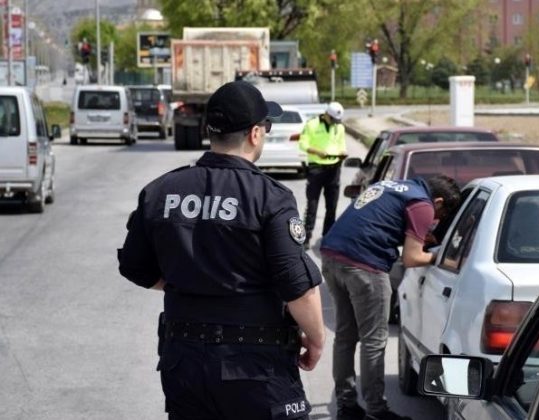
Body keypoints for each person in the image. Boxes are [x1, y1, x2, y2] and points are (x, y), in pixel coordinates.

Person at [117, 80, 325, 420]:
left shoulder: (160, 190)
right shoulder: (270, 197)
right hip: (256, 367)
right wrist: (315, 340)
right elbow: (296, 286)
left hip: (184, 361)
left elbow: (134, 267)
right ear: (255, 134)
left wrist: (189, 282)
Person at [320, 176, 461, 420]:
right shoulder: (422, 204)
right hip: (365, 266)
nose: (436, 220)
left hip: (332, 256)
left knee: (345, 336)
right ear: (438, 201)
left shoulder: (392, 186)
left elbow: (378, 222)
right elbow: (412, 258)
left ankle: (347, 406)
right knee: (373, 340)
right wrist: (442, 256)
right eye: (442, 213)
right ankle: (377, 410)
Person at [298, 101, 347, 250]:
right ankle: (306, 237)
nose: (334, 123)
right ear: (326, 114)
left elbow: (341, 145)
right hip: (316, 169)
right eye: (332, 119)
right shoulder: (312, 125)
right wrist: (317, 151)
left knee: (332, 206)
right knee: (312, 204)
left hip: (334, 168)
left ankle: (328, 237)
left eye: (336, 121)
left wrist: (342, 153)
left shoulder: (339, 127)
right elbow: (303, 144)